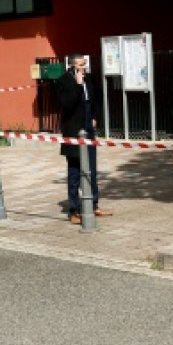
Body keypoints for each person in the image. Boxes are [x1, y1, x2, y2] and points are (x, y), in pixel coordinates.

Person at [56, 54, 112, 224]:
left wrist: (95, 117)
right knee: (75, 171)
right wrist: (78, 86)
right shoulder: (63, 81)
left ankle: (94, 204)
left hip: (89, 127)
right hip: (73, 131)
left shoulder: (90, 78)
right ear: (72, 66)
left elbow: (95, 100)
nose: (84, 68)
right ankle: (74, 210)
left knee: (92, 169)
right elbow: (67, 105)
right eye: (81, 65)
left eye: (85, 64)